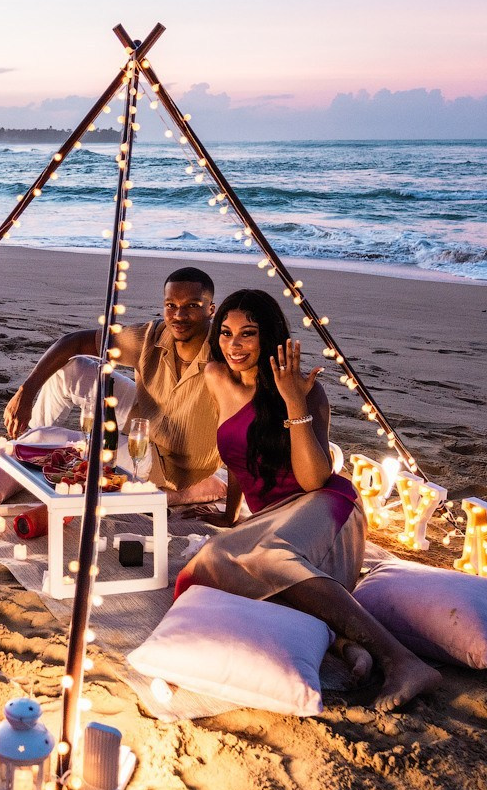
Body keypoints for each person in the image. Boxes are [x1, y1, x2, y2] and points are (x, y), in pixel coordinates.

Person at [175, 288, 441, 712]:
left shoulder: (307, 393)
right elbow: (242, 458)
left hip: (324, 505)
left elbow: (315, 477)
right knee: (207, 570)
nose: (234, 345)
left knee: (266, 561)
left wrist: (293, 401)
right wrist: (231, 518)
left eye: (248, 334)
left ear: (270, 338)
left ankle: (403, 661)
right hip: (270, 518)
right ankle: (343, 642)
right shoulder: (216, 377)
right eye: (226, 333)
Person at [3, 267, 223, 500]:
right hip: (147, 418)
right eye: (171, 305)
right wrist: (25, 393)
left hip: (170, 461)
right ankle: (27, 450)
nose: (178, 315)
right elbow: (74, 342)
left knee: (59, 446)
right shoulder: (154, 335)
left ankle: (185, 490)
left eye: (192, 306)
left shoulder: (224, 353)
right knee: (73, 368)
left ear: (211, 310)